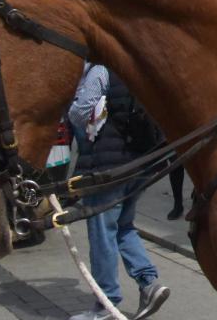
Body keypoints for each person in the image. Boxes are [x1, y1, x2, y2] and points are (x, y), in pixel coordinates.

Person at [67, 62, 171, 320]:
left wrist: (69, 105)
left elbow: (80, 113)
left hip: (107, 169)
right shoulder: (138, 69)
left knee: (102, 234)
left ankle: (106, 303)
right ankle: (149, 283)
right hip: (138, 164)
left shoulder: (101, 71)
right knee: (123, 226)